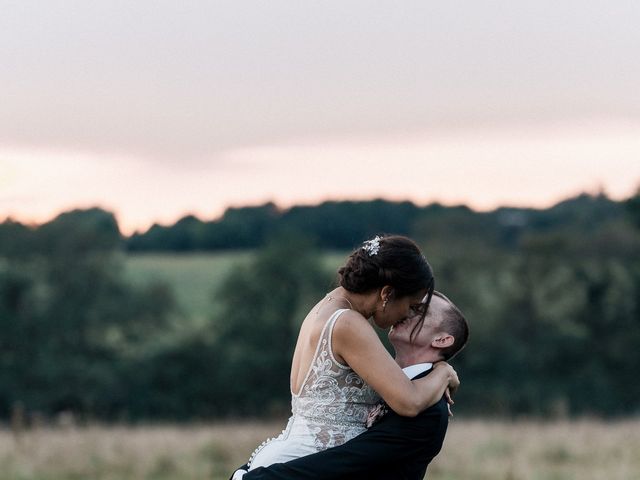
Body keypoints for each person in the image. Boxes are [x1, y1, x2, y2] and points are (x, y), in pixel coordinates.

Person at [234, 235, 460, 477]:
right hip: (301, 467)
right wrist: (444, 371)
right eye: (411, 306)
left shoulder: (329, 306)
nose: (407, 315)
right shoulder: (348, 323)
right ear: (387, 293)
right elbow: (409, 402)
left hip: (296, 456)